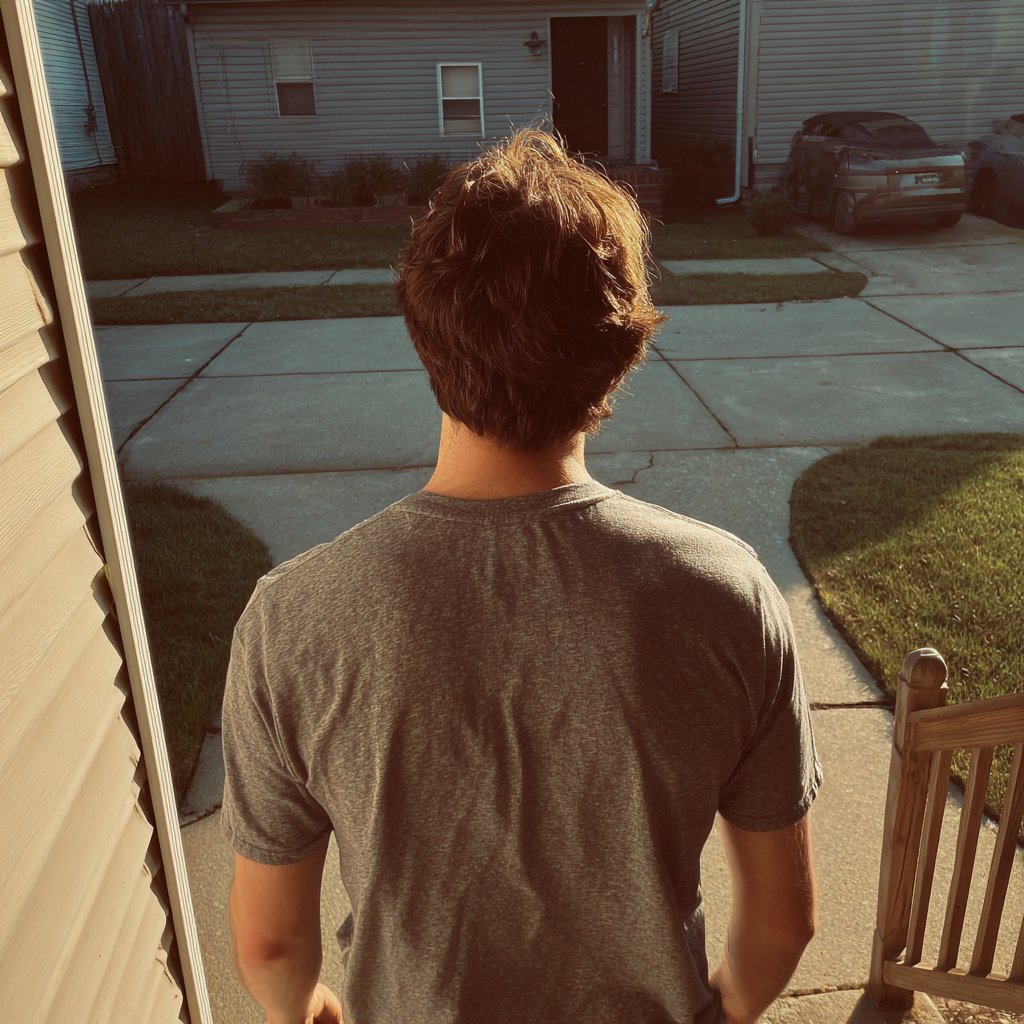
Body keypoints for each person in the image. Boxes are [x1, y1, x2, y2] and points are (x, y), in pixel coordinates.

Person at [222, 129, 822, 1024]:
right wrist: (727, 1011)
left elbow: (269, 944)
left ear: (425, 333)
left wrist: (302, 1006)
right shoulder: (726, 592)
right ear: (620, 350)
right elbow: (782, 923)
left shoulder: (292, 618)